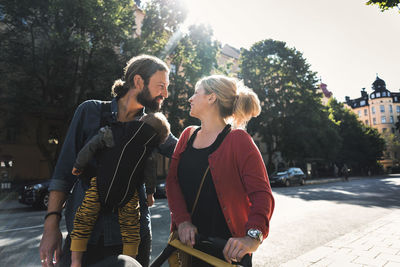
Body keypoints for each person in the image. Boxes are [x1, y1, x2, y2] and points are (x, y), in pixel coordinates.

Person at [39, 55, 177, 267]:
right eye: (161, 86)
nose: (165, 94)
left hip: (132, 237)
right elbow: (64, 172)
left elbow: (184, 151)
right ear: (139, 81)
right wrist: (51, 226)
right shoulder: (90, 111)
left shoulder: (152, 126)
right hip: (84, 237)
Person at [166, 75, 275, 266]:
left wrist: (252, 238)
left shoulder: (239, 140)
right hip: (186, 245)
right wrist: (182, 221)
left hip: (226, 251)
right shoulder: (187, 135)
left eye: (195, 93)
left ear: (211, 97)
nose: (190, 98)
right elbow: (172, 182)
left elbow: (262, 194)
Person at [70, 112, 170, 266]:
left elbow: (92, 145)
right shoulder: (148, 148)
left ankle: (75, 261)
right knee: (131, 227)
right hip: (129, 192)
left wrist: (78, 164)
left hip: (100, 183)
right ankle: (130, 261)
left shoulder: (115, 131)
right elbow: (150, 172)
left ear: (140, 121)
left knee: (84, 218)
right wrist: (150, 194)